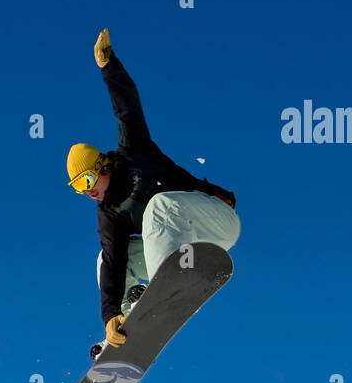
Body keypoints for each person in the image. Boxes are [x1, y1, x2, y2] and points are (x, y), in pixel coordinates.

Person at [67, 28, 241, 359]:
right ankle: (125, 324)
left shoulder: (134, 152)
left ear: (103, 167)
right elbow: (116, 262)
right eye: (78, 189)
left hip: (217, 225)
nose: (87, 193)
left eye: (86, 182)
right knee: (106, 259)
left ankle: (165, 289)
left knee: (158, 207)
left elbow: (127, 106)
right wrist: (109, 314)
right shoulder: (109, 214)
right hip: (180, 249)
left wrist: (108, 66)